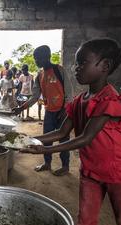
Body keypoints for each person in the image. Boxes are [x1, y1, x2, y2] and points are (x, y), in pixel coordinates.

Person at [21, 38, 121, 225]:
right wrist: (26, 139)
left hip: (117, 170)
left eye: (82, 63)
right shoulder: (79, 101)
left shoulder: (108, 99)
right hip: (90, 170)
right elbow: (61, 132)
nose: (76, 68)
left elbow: (85, 138)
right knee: (85, 222)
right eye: (76, 63)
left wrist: (46, 149)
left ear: (105, 66)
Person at [14, 45, 74, 176]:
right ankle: (47, 163)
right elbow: (35, 97)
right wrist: (21, 108)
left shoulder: (59, 70)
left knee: (64, 139)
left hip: (62, 112)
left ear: (47, 56)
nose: (36, 61)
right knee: (47, 140)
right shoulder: (39, 76)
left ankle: (65, 166)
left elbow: (69, 92)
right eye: (35, 58)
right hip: (49, 112)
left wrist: (66, 110)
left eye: (37, 58)